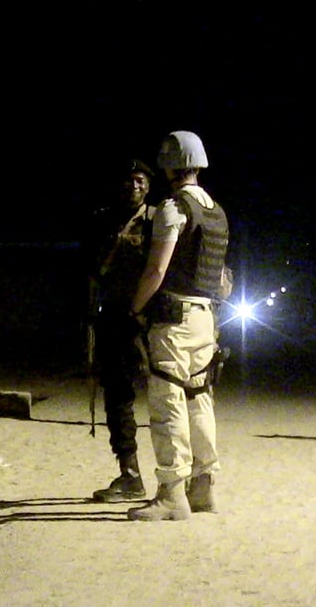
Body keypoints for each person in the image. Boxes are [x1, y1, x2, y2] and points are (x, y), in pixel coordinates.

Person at [126, 130, 229, 522]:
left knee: (167, 402)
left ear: (169, 165)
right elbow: (220, 277)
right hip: (206, 316)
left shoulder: (173, 208)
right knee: (199, 399)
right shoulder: (216, 211)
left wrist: (135, 309)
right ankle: (203, 486)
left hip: (173, 317)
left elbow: (156, 269)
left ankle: (171, 493)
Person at [85, 159, 157, 502]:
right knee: (118, 397)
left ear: (149, 186)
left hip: (151, 319)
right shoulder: (103, 221)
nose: (134, 187)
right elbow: (90, 270)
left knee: (167, 398)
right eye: (128, 181)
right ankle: (130, 474)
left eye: (140, 181)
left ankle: (179, 478)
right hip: (114, 319)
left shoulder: (158, 221)